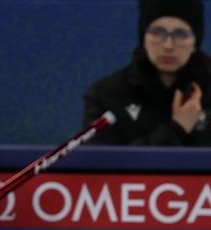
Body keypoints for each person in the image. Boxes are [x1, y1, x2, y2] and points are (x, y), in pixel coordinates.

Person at [84, 0, 211, 146]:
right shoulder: (105, 95)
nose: (168, 45)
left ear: (195, 43)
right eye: (158, 32)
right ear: (143, 39)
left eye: (180, 34)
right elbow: (100, 159)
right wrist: (178, 129)